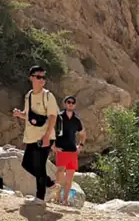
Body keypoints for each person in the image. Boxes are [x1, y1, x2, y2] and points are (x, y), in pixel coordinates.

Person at [13, 65, 58, 202]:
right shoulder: (29, 95)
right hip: (31, 137)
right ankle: (50, 184)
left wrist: (46, 136)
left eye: (43, 77)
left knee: (39, 165)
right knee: (26, 164)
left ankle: (40, 197)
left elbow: (53, 116)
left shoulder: (48, 96)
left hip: (45, 136)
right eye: (38, 77)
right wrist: (19, 114)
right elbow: (29, 115)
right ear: (31, 78)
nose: (41, 80)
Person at [53, 94, 85, 204]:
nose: (70, 104)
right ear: (65, 104)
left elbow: (82, 134)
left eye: (72, 103)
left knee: (70, 177)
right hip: (61, 149)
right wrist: (53, 146)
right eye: (68, 102)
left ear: (75, 105)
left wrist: (80, 146)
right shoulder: (59, 117)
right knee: (60, 173)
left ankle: (65, 200)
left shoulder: (76, 120)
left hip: (72, 150)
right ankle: (56, 197)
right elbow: (51, 131)